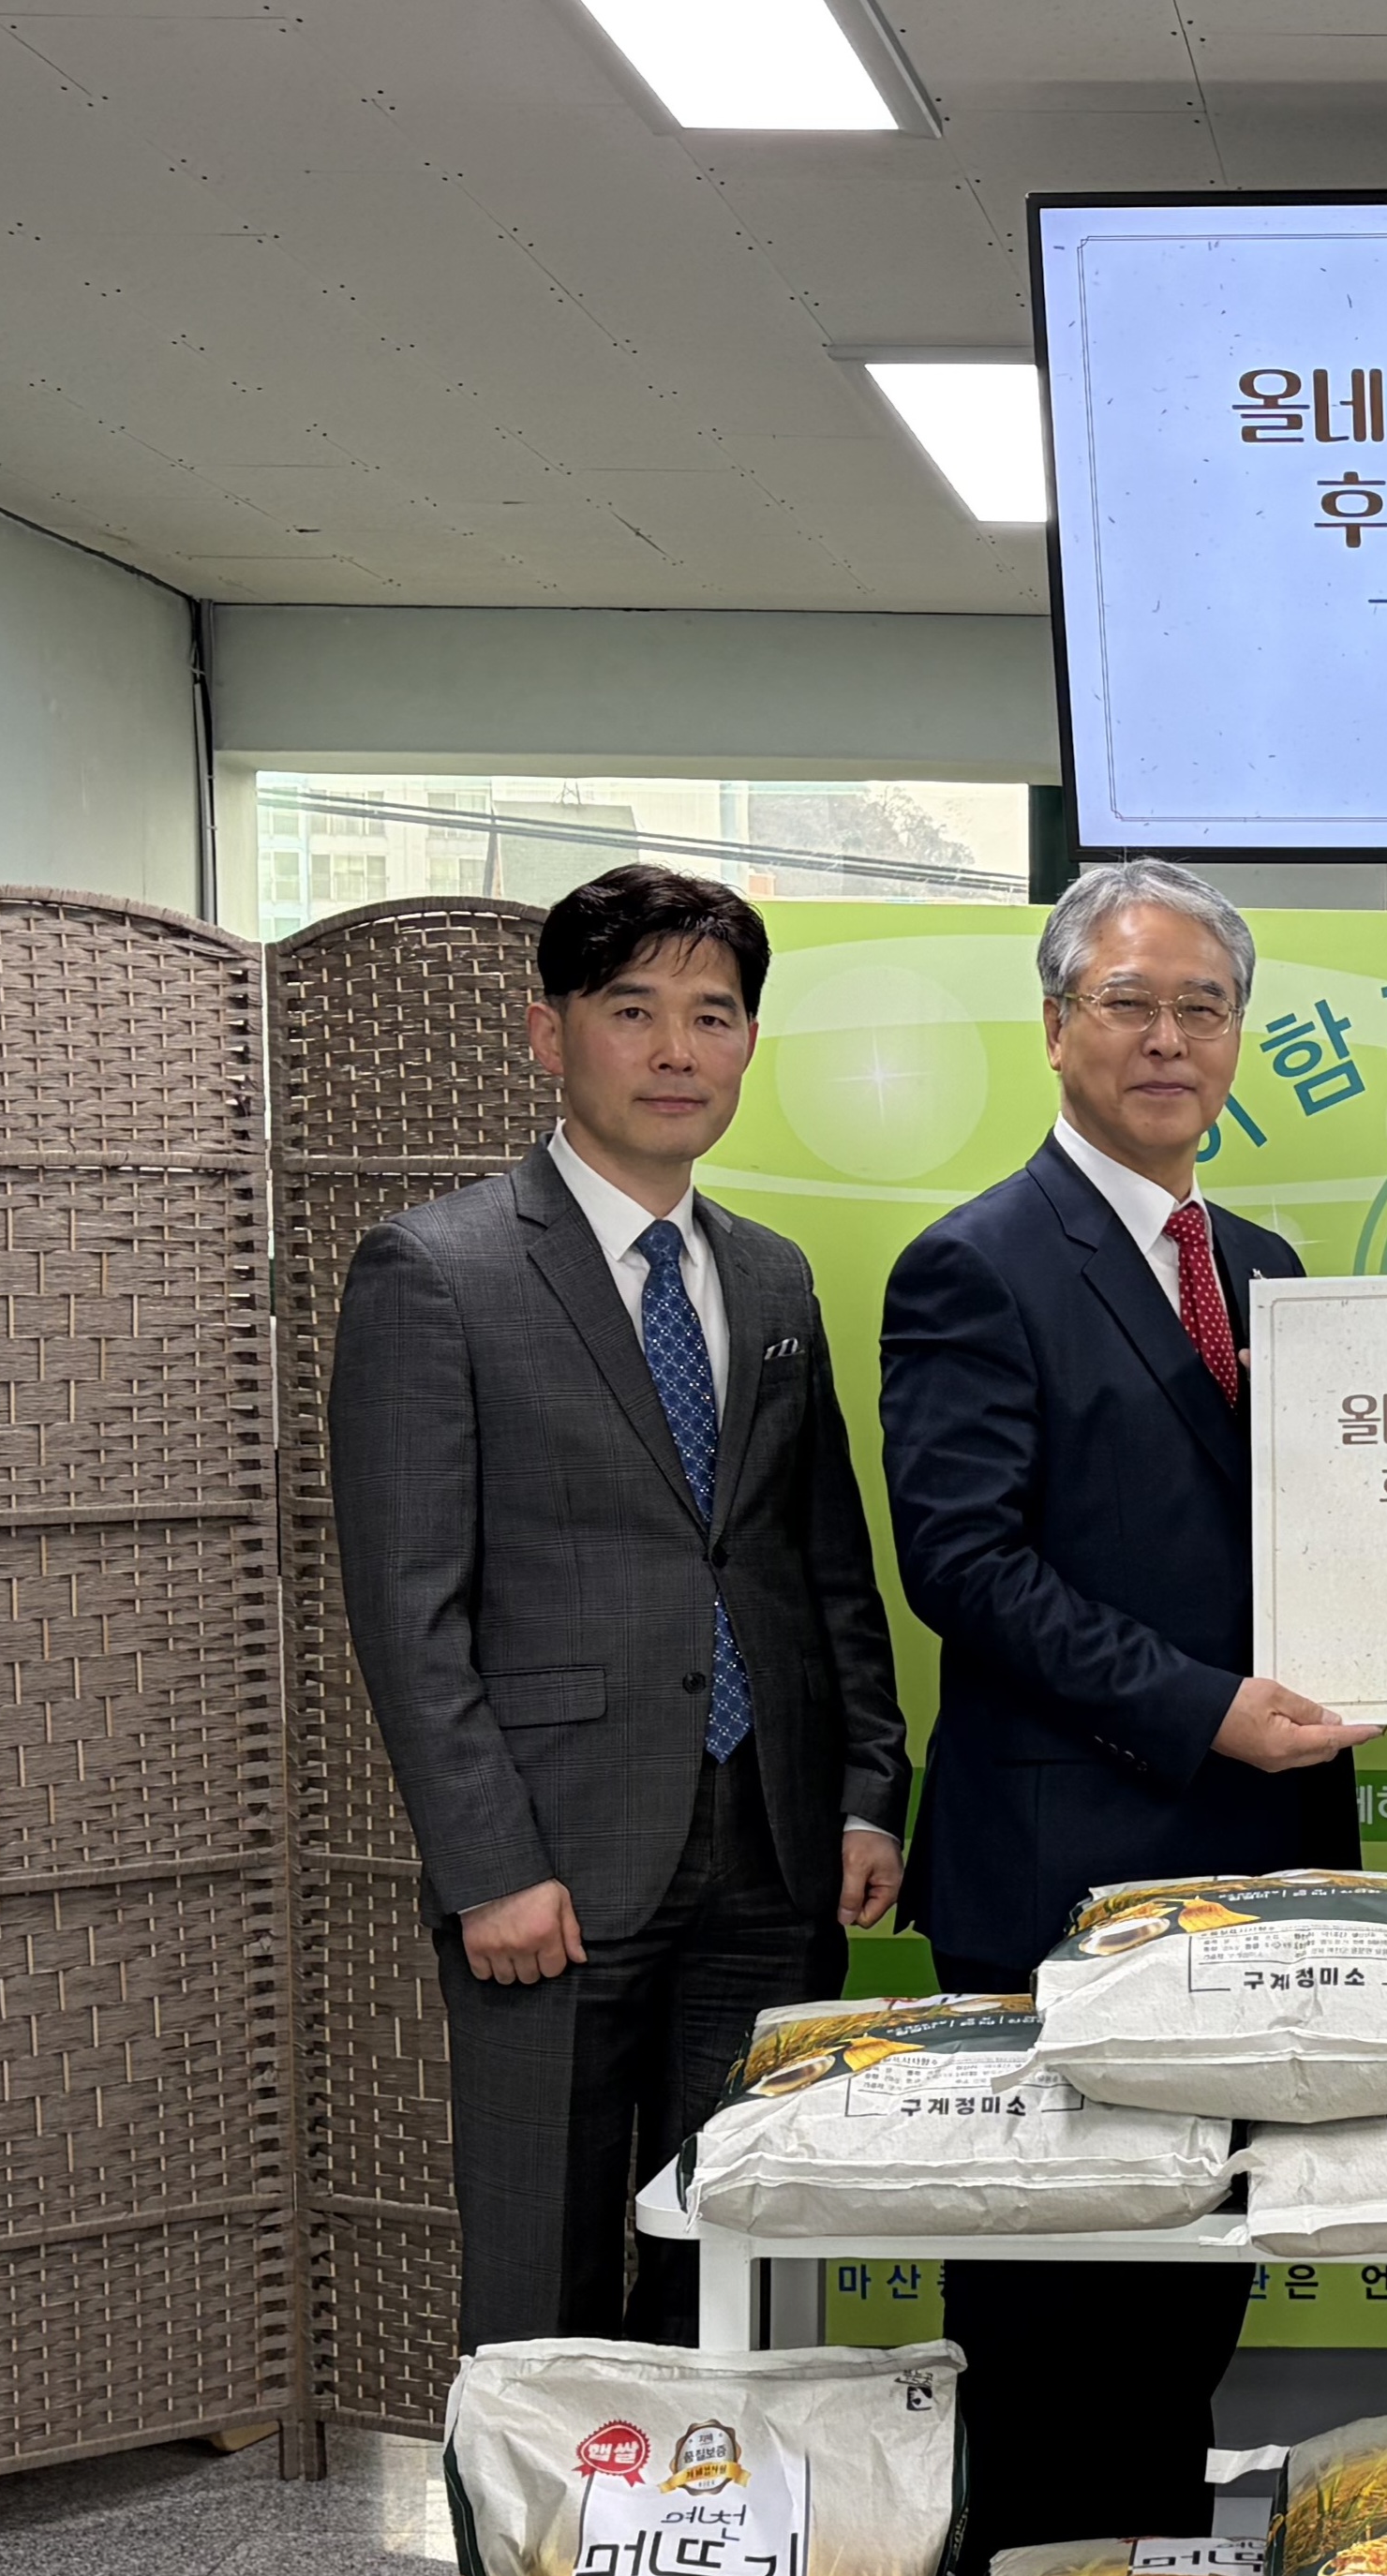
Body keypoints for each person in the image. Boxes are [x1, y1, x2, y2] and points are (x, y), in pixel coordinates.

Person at [335, 864, 909, 2349]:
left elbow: (821, 1560)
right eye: (632, 1009)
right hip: (554, 1873)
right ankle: (533, 2522)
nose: (674, 1050)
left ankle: (712, 2508)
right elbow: (405, 1609)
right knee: (545, 2277)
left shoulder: (770, 1278)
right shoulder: (436, 1269)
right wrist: (488, 1867)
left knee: (743, 2272)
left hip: (773, 1856)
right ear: (549, 1032)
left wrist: (867, 1791)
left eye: (711, 1015)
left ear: (748, 1045)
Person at [884, 858, 1373, 2576]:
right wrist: (1202, 1708)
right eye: (1129, 1002)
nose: (1168, 1038)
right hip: (1064, 1882)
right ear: (1054, 1026)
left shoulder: (1262, 1265)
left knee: (1185, 2308)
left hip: (1256, 1878)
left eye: (1202, 1007)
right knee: (1049, 2321)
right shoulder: (975, 1264)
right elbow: (962, 1563)